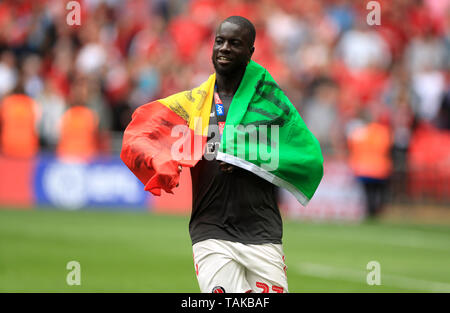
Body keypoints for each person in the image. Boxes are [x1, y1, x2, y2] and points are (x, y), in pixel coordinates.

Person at [121, 16, 323, 293]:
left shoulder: (270, 107)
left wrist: (246, 159)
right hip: (211, 229)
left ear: (250, 52)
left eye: (234, 43)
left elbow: (302, 152)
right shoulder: (194, 105)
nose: (224, 48)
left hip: (262, 232)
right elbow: (144, 131)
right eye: (220, 41)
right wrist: (161, 159)